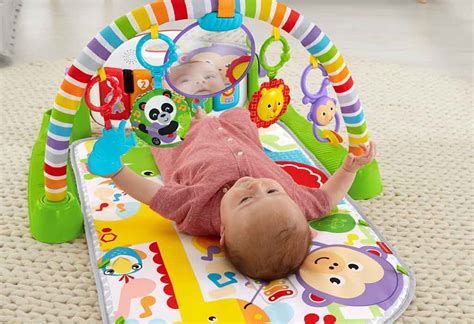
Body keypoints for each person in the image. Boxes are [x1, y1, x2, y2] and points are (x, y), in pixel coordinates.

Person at [88, 108, 376, 280]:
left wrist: (116, 171)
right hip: (239, 134)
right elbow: (328, 198)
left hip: (184, 142)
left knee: (165, 115)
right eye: (272, 189)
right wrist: (349, 169)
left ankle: (193, 114)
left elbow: (154, 195)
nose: (254, 185)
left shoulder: (197, 212)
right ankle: (208, 106)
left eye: (246, 200)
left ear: (223, 231)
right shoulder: (298, 206)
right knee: (238, 107)